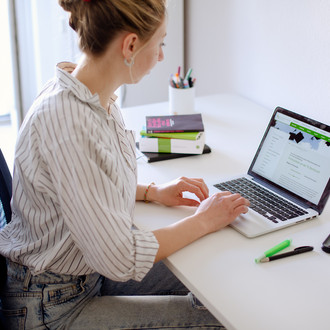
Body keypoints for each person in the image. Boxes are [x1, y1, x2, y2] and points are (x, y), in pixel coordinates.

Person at [0, 0, 249, 329]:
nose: (161, 56)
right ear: (131, 45)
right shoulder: (68, 121)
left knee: (214, 280)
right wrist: (203, 220)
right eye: (160, 43)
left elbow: (83, 187)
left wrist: (151, 192)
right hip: (52, 307)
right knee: (217, 317)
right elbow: (121, 257)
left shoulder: (92, 95)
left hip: (82, 276)